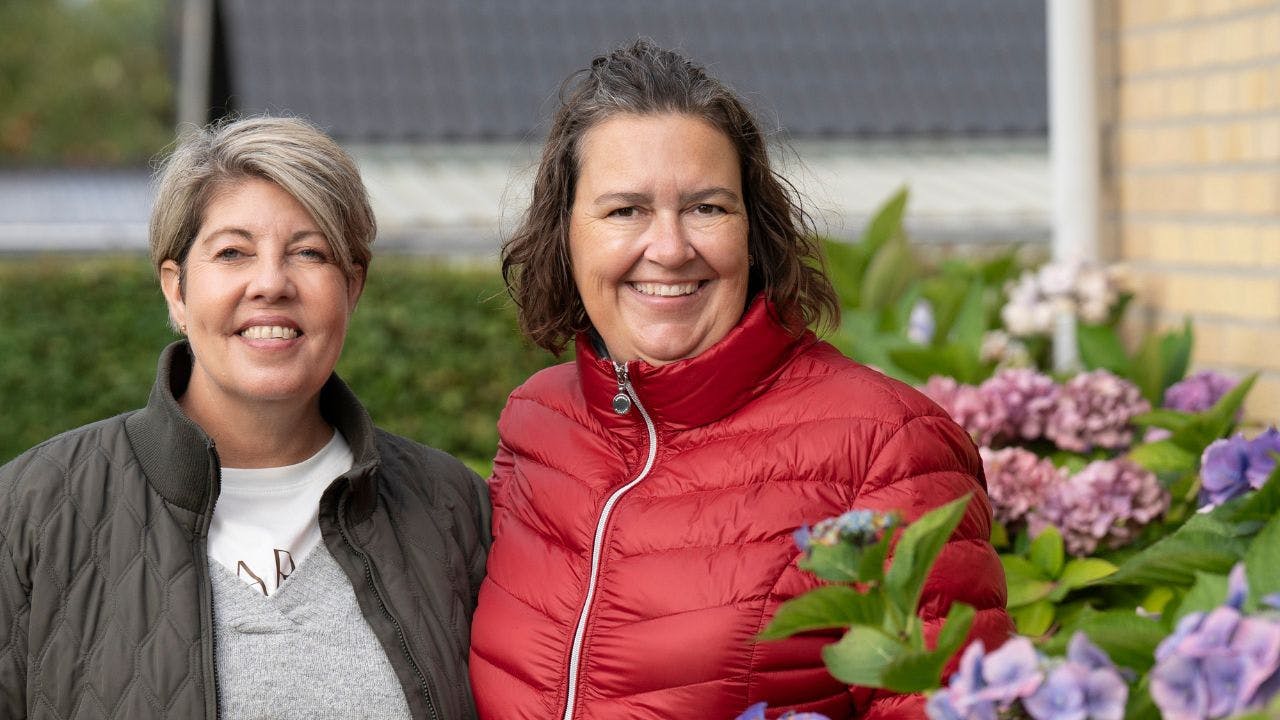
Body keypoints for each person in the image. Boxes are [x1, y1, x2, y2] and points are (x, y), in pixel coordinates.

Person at [469, 40, 1012, 719]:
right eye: (625, 210)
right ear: (566, 234)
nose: (670, 249)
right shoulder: (537, 423)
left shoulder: (888, 446)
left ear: (753, 232)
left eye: (707, 208)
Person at [0, 117, 489, 719]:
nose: (271, 283)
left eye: (309, 252)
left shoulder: (450, 509)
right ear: (176, 290)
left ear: (352, 288)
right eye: (232, 252)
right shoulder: (32, 509)